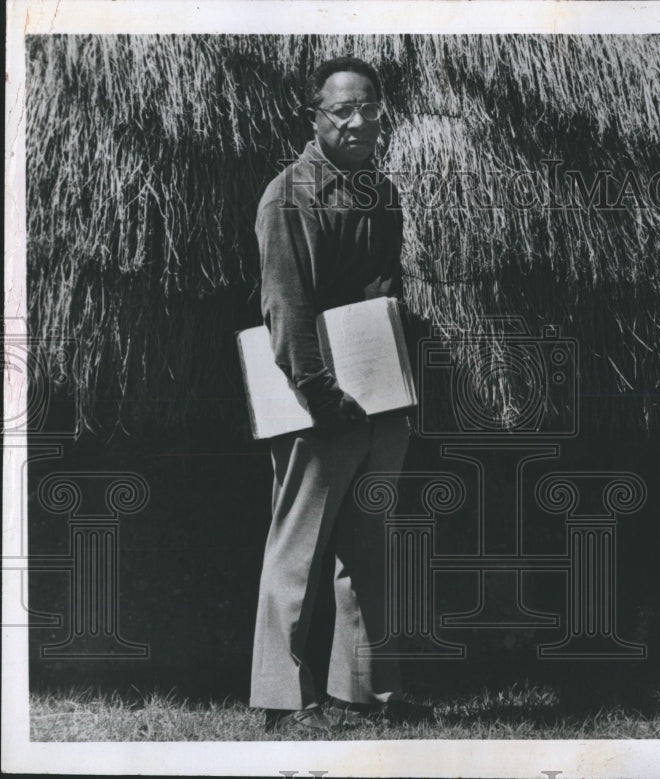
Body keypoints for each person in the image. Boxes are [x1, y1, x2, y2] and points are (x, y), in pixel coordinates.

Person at [250, 56, 430, 733]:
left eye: (369, 109)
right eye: (342, 111)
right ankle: (280, 701)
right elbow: (286, 305)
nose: (359, 122)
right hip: (316, 400)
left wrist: (387, 376)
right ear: (314, 118)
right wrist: (321, 394)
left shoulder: (379, 193)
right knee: (297, 551)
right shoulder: (287, 196)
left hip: (377, 397)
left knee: (370, 550)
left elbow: (381, 289)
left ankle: (365, 693)